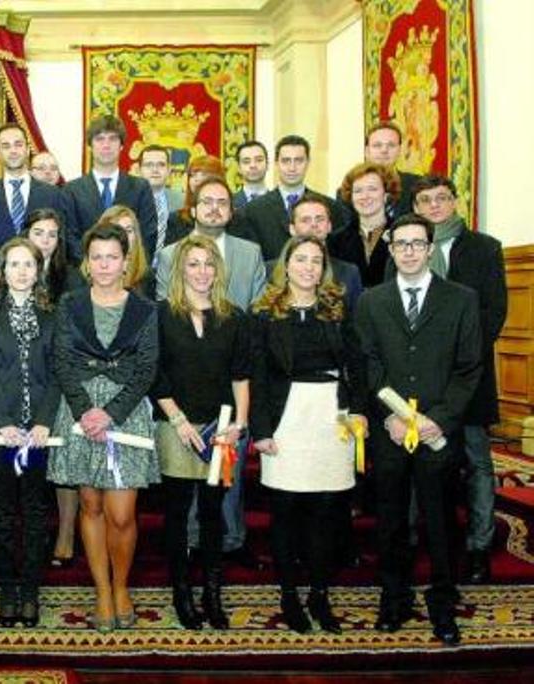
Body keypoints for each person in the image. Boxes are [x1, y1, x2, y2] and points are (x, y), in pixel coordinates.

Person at [355, 213, 482, 645]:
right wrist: (386, 416)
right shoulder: (372, 301)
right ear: (390, 251)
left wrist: (438, 419)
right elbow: (366, 364)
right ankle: (394, 599)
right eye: (400, 244)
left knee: (441, 522)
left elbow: (469, 369)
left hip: (437, 434)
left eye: (417, 244)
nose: (408, 251)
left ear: (430, 249)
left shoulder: (461, 299)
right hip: (391, 432)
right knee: (390, 521)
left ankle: (443, 603)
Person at [251, 236, 367, 635]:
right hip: (287, 421)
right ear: (286, 264)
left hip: (331, 420)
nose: (308, 267)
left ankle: (319, 593)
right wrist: (261, 430)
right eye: (300, 259)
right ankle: (289, 596)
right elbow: (259, 378)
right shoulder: (266, 313)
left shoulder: (338, 309)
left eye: (316, 261)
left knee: (326, 513)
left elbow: (358, 365)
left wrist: (359, 413)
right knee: (285, 514)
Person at [48, 224, 160, 632]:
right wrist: (85, 411)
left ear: (126, 261)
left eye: (112, 256)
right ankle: (102, 592)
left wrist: (110, 412)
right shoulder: (70, 304)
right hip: (79, 412)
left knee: (121, 513)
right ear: (86, 262)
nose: (105, 265)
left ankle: (122, 585)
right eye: (97, 257)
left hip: (125, 413)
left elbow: (147, 366)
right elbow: (62, 360)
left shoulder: (145, 309)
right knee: (91, 505)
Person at [151, 234, 251, 631]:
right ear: (180, 270)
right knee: (176, 514)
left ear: (218, 270)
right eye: (193, 264)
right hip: (176, 425)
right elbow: (154, 374)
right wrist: (177, 420)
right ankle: (182, 593)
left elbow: (241, 375)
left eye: (208, 264)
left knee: (213, 515)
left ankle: (212, 592)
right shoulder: (161, 314)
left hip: (220, 428)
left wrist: (238, 426)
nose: (202, 272)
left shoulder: (233, 316)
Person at [411, 175, 507, 583]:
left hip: (470, 378)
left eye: (442, 199)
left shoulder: (485, 248)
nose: (434, 206)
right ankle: (419, 537)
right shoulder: (408, 248)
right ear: (415, 208)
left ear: (455, 201)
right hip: (419, 381)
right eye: (425, 201)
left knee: (477, 463)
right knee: (421, 460)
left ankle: (479, 545)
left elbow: (493, 313)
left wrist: (458, 362)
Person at [0, 237, 61, 627]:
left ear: (39, 270)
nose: (22, 271)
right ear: (2, 270)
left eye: (29, 264)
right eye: (14, 264)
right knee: (3, 510)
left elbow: (58, 372)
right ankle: (7, 587)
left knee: (36, 510)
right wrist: (2, 421)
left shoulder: (53, 314)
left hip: (39, 433)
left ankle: (30, 588)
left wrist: (44, 420)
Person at [156, 177, 266, 311]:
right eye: (207, 202)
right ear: (193, 211)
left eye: (222, 203)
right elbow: (165, 310)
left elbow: (259, 308)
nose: (215, 208)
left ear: (231, 213)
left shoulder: (251, 253)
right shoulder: (169, 254)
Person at [233, 134, 347, 261]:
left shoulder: (330, 207)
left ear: (308, 162)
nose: (292, 168)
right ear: (276, 163)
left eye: (298, 161)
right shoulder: (253, 211)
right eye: (286, 161)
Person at [63, 115, 157, 263]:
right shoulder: (71, 190)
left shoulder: (140, 188)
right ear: (90, 146)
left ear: (121, 146)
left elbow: (147, 236)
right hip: (85, 276)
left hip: (130, 277)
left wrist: (127, 268)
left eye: (112, 139)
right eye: (99, 139)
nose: (106, 145)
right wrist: (95, 267)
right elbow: (70, 238)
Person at [0, 124, 68, 245]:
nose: (13, 151)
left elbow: (62, 240)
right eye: (6, 146)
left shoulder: (53, 194)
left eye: (18, 144)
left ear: (27, 149)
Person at [280, 193, 364, 308]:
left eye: (319, 219)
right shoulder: (269, 271)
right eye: (305, 220)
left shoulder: (349, 273)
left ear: (329, 226)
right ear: (292, 229)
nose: (314, 225)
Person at [328, 162, 401, 288]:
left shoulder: (401, 235)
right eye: (358, 191)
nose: (365, 196)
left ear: (386, 195)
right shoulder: (335, 241)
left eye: (372, 189)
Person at [24, 208, 86, 303]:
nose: (45, 240)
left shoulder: (72, 277)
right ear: (26, 236)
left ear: (58, 241)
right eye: (38, 234)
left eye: (52, 235)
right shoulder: (12, 271)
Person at [364, 121, 419, 219]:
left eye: (391, 145)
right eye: (377, 145)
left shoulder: (417, 185)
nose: (384, 150)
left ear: (400, 149)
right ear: (367, 151)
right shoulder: (349, 190)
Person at [136, 144, 182, 263]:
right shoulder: (127, 200)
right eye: (149, 165)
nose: (155, 170)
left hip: (173, 268)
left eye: (161, 165)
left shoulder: (182, 202)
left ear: (169, 170)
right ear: (139, 170)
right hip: (137, 269)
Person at [169, 154, 225, 245]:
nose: (197, 179)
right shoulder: (176, 220)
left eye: (204, 174)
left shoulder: (234, 219)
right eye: (193, 175)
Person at [98, 204, 150, 296]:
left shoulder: (147, 277)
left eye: (129, 231)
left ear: (136, 236)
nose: (124, 236)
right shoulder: (86, 275)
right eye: (117, 230)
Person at [233, 140, 269, 209]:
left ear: (267, 164)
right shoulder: (230, 203)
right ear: (238, 168)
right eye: (246, 162)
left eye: (259, 160)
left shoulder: (280, 202)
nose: (253, 165)